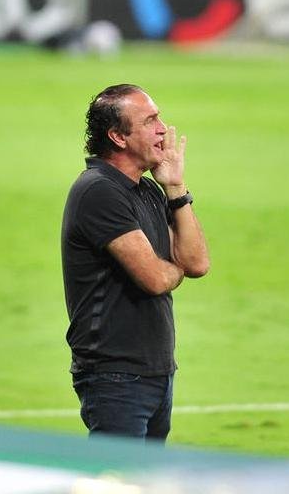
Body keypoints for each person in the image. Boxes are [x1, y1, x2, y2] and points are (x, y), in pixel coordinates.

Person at [61, 83, 210, 443]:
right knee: (118, 479)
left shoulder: (145, 189)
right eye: (150, 121)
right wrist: (176, 270)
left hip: (155, 369)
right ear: (118, 137)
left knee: (146, 480)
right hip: (115, 374)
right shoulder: (99, 191)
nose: (163, 129)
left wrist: (175, 188)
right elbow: (157, 278)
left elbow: (198, 262)